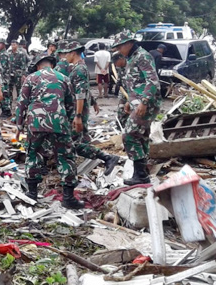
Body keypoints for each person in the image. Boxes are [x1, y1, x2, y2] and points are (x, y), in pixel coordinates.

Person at [16, 54, 83, 208]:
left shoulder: (31, 78)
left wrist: (19, 126)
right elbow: (70, 104)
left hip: (35, 122)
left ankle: (32, 194)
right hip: (59, 122)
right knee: (65, 157)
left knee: (33, 154)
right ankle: (68, 198)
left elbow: (21, 104)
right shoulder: (64, 78)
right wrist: (70, 121)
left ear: (38, 65)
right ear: (51, 65)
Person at [63, 43, 120, 178]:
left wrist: (77, 115)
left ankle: (107, 158)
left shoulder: (79, 70)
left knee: (74, 143)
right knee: (83, 138)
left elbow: (81, 94)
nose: (65, 56)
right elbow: (85, 89)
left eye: (66, 53)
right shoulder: (78, 68)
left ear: (73, 53)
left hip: (77, 111)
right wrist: (93, 101)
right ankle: (87, 165)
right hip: (78, 110)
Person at [113, 36, 161, 186]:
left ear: (128, 44)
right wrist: (129, 101)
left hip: (147, 103)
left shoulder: (142, 56)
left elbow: (153, 81)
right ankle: (142, 173)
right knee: (141, 136)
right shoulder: (132, 57)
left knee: (129, 135)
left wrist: (144, 102)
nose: (118, 51)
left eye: (120, 47)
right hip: (137, 102)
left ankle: (140, 174)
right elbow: (134, 82)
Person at [7, 38, 29, 111]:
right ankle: (9, 106)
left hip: (18, 74)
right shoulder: (8, 53)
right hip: (10, 74)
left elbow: (23, 65)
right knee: (9, 91)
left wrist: (23, 75)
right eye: (12, 44)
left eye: (14, 44)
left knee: (19, 90)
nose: (13, 46)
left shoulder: (21, 53)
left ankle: (19, 107)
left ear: (17, 45)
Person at [0, 39, 11, 118]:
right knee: (4, 95)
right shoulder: (3, 54)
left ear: (4, 45)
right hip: (4, 78)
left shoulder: (3, 55)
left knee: (4, 95)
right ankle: (4, 111)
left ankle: (6, 112)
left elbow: (1, 68)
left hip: (3, 79)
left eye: (0, 44)